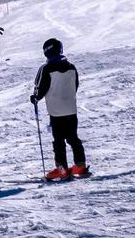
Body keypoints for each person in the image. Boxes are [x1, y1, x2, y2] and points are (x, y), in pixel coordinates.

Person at [31, 38, 88, 180]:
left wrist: (35, 98)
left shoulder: (46, 68)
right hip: (71, 108)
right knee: (73, 137)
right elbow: (76, 85)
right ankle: (80, 165)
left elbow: (40, 88)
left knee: (59, 140)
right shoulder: (71, 67)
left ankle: (61, 169)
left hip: (56, 111)